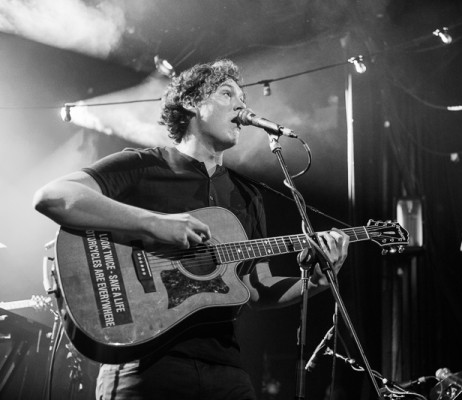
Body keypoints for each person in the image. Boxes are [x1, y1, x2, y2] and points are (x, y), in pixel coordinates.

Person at [33, 59, 349, 400]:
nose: (242, 105)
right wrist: (155, 224)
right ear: (191, 102)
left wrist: (314, 282)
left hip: (227, 370)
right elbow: (54, 197)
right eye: (227, 94)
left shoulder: (249, 195)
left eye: (244, 98)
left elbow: (257, 289)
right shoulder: (143, 165)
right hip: (144, 363)